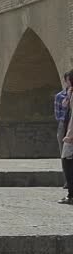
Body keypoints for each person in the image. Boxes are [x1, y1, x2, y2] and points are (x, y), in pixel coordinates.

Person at [55, 72, 71, 189]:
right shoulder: (60, 96)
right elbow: (58, 115)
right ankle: (67, 181)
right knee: (64, 154)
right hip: (64, 125)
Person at [60, 70, 73, 204]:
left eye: (68, 80)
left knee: (67, 162)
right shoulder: (70, 94)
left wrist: (69, 135)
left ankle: (71, 195)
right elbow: (64, 106)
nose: (67, 83)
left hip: (71, 136)